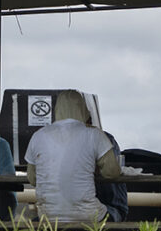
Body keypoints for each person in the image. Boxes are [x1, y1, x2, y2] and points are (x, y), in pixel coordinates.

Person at [24, 90, 121, 222]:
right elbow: (112, 173)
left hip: (48, 218)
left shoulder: (38, 136)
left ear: (56, 110)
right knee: (118, 211)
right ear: (84, 110)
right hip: (90, 217)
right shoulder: (95, 135)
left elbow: (32, 179)